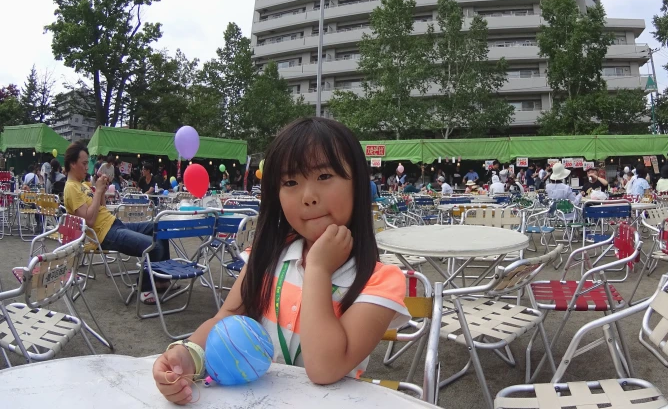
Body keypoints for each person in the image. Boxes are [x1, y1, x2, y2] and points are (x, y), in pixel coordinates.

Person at [152, 118, 410, 398]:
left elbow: (325, 368)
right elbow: (227, 316)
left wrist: (319, 269)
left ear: (357, 184)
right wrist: (189, 356)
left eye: (324, 176)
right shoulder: (265, 258)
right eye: (290, 181)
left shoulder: (380, 282)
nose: (308, 196)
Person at [63, 141, 172, 304]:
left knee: (161, 227)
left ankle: (161, 279)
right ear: (72, 163)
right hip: (104, 235)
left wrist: (102, 192)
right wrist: (98, 190)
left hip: (113, 224)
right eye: (84, 163)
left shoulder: (83, 185)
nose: (87, 167)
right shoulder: (71, 188)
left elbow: (101, 208)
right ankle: (145, 288)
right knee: (153, 246)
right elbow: (89, 221)